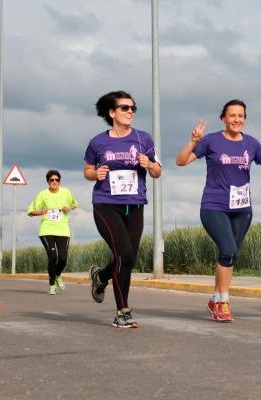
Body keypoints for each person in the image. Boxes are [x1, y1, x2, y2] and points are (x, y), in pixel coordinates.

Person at [176, 99, 261, 322]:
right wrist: (192, 142)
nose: (237, 119)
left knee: (230, 255)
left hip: (242, 208)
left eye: (240, 116)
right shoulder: (211, 141)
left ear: (244, 119)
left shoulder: (252, 144)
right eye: (232, 115)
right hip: (214, 206)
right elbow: (181, 161)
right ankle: (223, 301)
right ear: (223, 118)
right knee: (228, 250)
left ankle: (215, 299)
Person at [84, 90, 161, 328]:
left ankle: (101, 277)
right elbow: (87, 170)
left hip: (135, 205)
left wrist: (149, 165)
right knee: (124, 255)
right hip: (106, 204)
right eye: (125, 108)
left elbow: (158, 171)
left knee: (127, 259)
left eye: (133, 108)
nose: (130, 112)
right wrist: (95, 174)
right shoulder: (98, 142)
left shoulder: (143, 138)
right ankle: (122, 312)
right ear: (112, 112)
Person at [27, 170, 78, 295]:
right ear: (48, 182)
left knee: (63, 258)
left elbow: (75, 203)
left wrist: (69, 208)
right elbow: (30, 211)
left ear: (59, 181)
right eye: (52, 180)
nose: (54, 182)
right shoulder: (43, 194)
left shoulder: (66, 192)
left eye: (57, 180)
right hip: (47, 229)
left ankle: (57, 275)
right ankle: (51, 284)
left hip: (63, 229)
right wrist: (40, 212)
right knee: (53, 256)